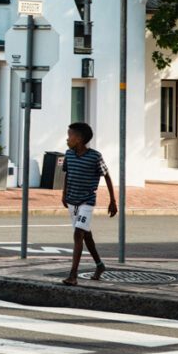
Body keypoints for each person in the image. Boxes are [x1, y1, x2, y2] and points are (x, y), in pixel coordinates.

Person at [61, 122, 117, 286]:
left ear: (78, 139)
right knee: (86, 234)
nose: (67, 139)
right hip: (72, 200)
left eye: (69, 135)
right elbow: (67, 173)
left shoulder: (95, 156)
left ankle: (73, 275)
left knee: (78, 234)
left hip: (87, 201)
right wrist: (64, 194)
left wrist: (112, 200)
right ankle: (100, 265)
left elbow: (106, 176)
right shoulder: (68, 155)